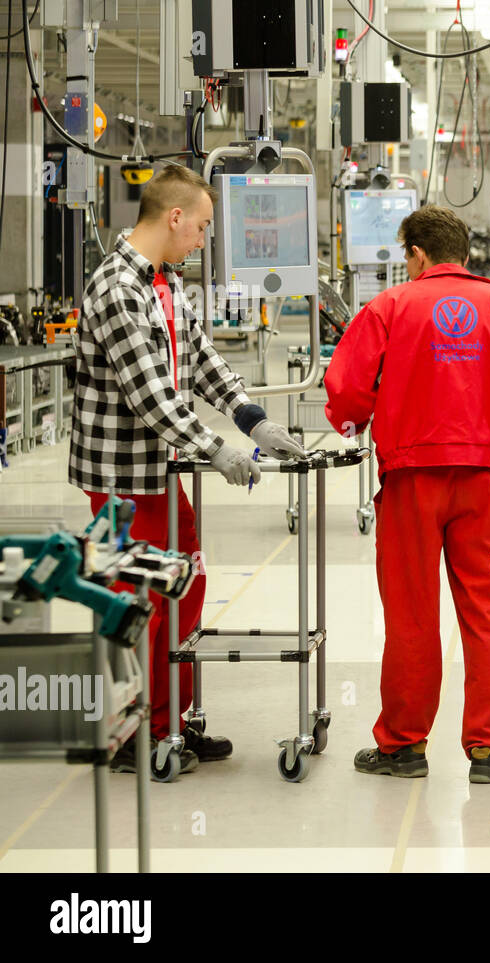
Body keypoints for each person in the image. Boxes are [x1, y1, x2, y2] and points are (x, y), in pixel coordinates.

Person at [324, 205, 490, 783]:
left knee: (411, 615)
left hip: (410, 484)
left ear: (417, 254)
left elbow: (345, 389)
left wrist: (355, 423)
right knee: (487, 615)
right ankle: (489, 751)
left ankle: (402, 747)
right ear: (463, 252)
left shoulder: (389, 307)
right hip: (486, 487)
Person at [70, 163, 305, 775]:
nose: (203, 239)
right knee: (137, 597)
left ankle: (171, 722)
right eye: (200, 227)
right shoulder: (118, 288)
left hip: (158, 468)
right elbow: (149, 394)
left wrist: (252, 419)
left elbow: (199, 362)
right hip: (123, 475)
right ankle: (132, 734)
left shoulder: (166, 282)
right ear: (174, 218)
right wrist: (215, 448)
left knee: (186, 580)